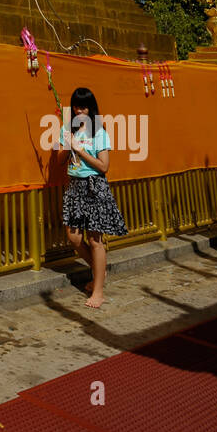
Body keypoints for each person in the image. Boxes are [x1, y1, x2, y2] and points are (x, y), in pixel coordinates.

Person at [61, 86, 127, 309]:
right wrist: (66, 144)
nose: (80, 110)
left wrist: (79, 150)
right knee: (74, 238)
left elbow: (104, 166)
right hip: (75, 187)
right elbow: (61, 159)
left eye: (84, 106)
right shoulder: (67, 129)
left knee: (94, 240)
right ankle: (100, 271)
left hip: (93, 186)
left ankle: (98, 291)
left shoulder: (99, 132)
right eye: (77, 106)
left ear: (91, 109)